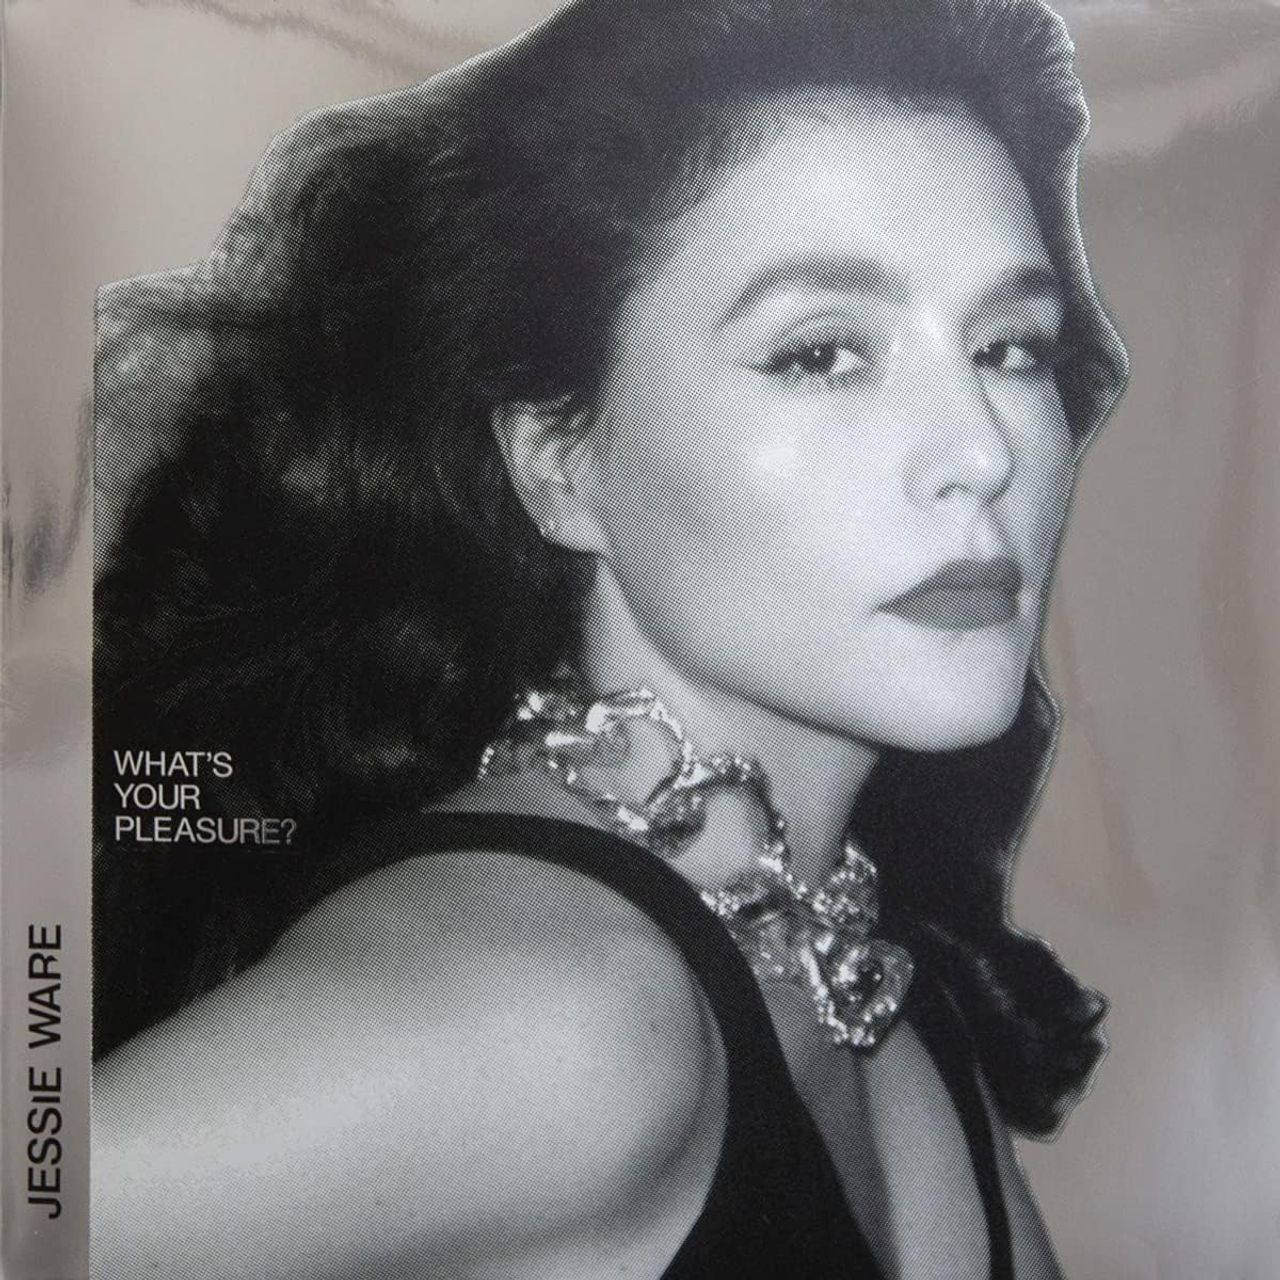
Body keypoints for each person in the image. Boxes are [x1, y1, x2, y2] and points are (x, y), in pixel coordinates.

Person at [90, 0, 1128, 1274]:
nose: (979, 450)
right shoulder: (563, 1008)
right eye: (820, 353)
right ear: (558, 462)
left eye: (1007, 347)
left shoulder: (880, 991)